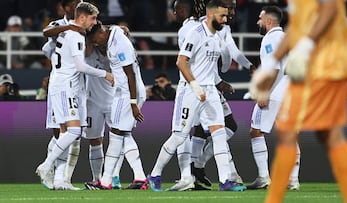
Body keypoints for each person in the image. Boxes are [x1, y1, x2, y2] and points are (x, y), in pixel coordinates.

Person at [249, 0, 347, 202]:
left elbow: (330, 7)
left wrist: (306, 46)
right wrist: (274, 60)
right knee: (289, 131)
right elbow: (297, 25)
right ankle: (275, 196)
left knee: (329, 134)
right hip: (306, 69)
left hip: (329, 63)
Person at [147, 0, 244, 192]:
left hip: (210, 93)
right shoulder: (195, 33)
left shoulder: (216, 37)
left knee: (218, 135)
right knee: (179, 136)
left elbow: (208, 67)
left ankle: (226, 181)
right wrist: (194, 85)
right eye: (222, 16)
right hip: (190, 91)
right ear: (210, 15)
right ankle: (155, 174)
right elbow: (181, 62)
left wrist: (218, 83)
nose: (226, 19)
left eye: (226, 16)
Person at [36, 1, 114, 190]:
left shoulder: (68, 33)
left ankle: (61, 179)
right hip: (66, 86)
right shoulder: (75, 34)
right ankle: (46, 165)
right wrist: (105, 74)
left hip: (68, 85)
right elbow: (80, 66)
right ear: (82, 17)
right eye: (93, 18)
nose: (95, 23)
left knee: (66, 133)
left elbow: (49, 50)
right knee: (73, 132)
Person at [85, 22, 148, 190]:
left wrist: (133, 103)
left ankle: (105, 181)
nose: (96, 44)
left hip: (127, 94)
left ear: (100, 32)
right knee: (124, 134)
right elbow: (114, 28)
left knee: (115, 134)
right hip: (124, 92)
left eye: (94, 40)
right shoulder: (113, 34)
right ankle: (140, 178)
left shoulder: (119, 43)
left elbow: (130, 74)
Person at [247, 5, 300, 191]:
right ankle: (293, 180)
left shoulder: (271, 38)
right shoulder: (284, 37)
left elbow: (274, 68)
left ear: (269, 21)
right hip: (291, 88)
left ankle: (263, 177)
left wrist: (264, 92)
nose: (257, 22)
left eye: (260, 19)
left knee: (256, 130)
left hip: (278, 91)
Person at [40, 0, 84, 190]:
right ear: (63, 7)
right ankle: (52, 172)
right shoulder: (59, 25)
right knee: (60, 131)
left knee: (72, 134)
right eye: (72, 3)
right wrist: (69, 26)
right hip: (61, 83)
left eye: (79, 3)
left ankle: (59, 178)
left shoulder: (83, 26)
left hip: (79, 85)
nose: (75, 6)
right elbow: (46, 32)